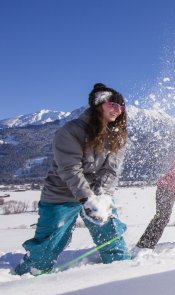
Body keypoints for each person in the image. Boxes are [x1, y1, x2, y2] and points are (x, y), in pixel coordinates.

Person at [14, 83, 130, 275]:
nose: (118, 110)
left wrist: (103, 197)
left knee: (112, 237)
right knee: (46, 248)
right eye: (113, 105)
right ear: (98, 104)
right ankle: (26, 275)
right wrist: (87, 199)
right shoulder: (71, 131)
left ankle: (124, 276)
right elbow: (70, 169)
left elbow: (111, 171)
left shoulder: (117, 135)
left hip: (96, 194)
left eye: (121, 107)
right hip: (61, 194)